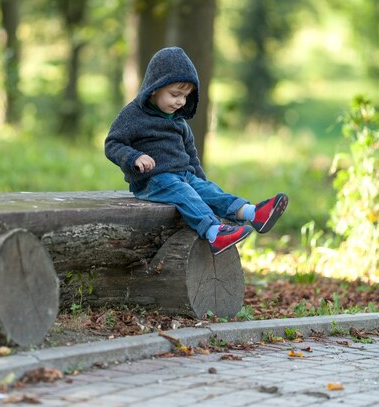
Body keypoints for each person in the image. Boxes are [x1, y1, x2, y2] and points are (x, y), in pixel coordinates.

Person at [105, 47, 288, 256]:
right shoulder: (133, 115)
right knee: (184, 193)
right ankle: (213, 233)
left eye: (185, 96)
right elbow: (112, 144)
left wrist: (201, 181)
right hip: (152, 181)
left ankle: (253, 213)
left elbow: (191, 156)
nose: (180, 102)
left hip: (183, 176)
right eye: (175, 95)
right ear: (154, 87)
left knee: (210, 191)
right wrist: (134, 157)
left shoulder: (179, 122)